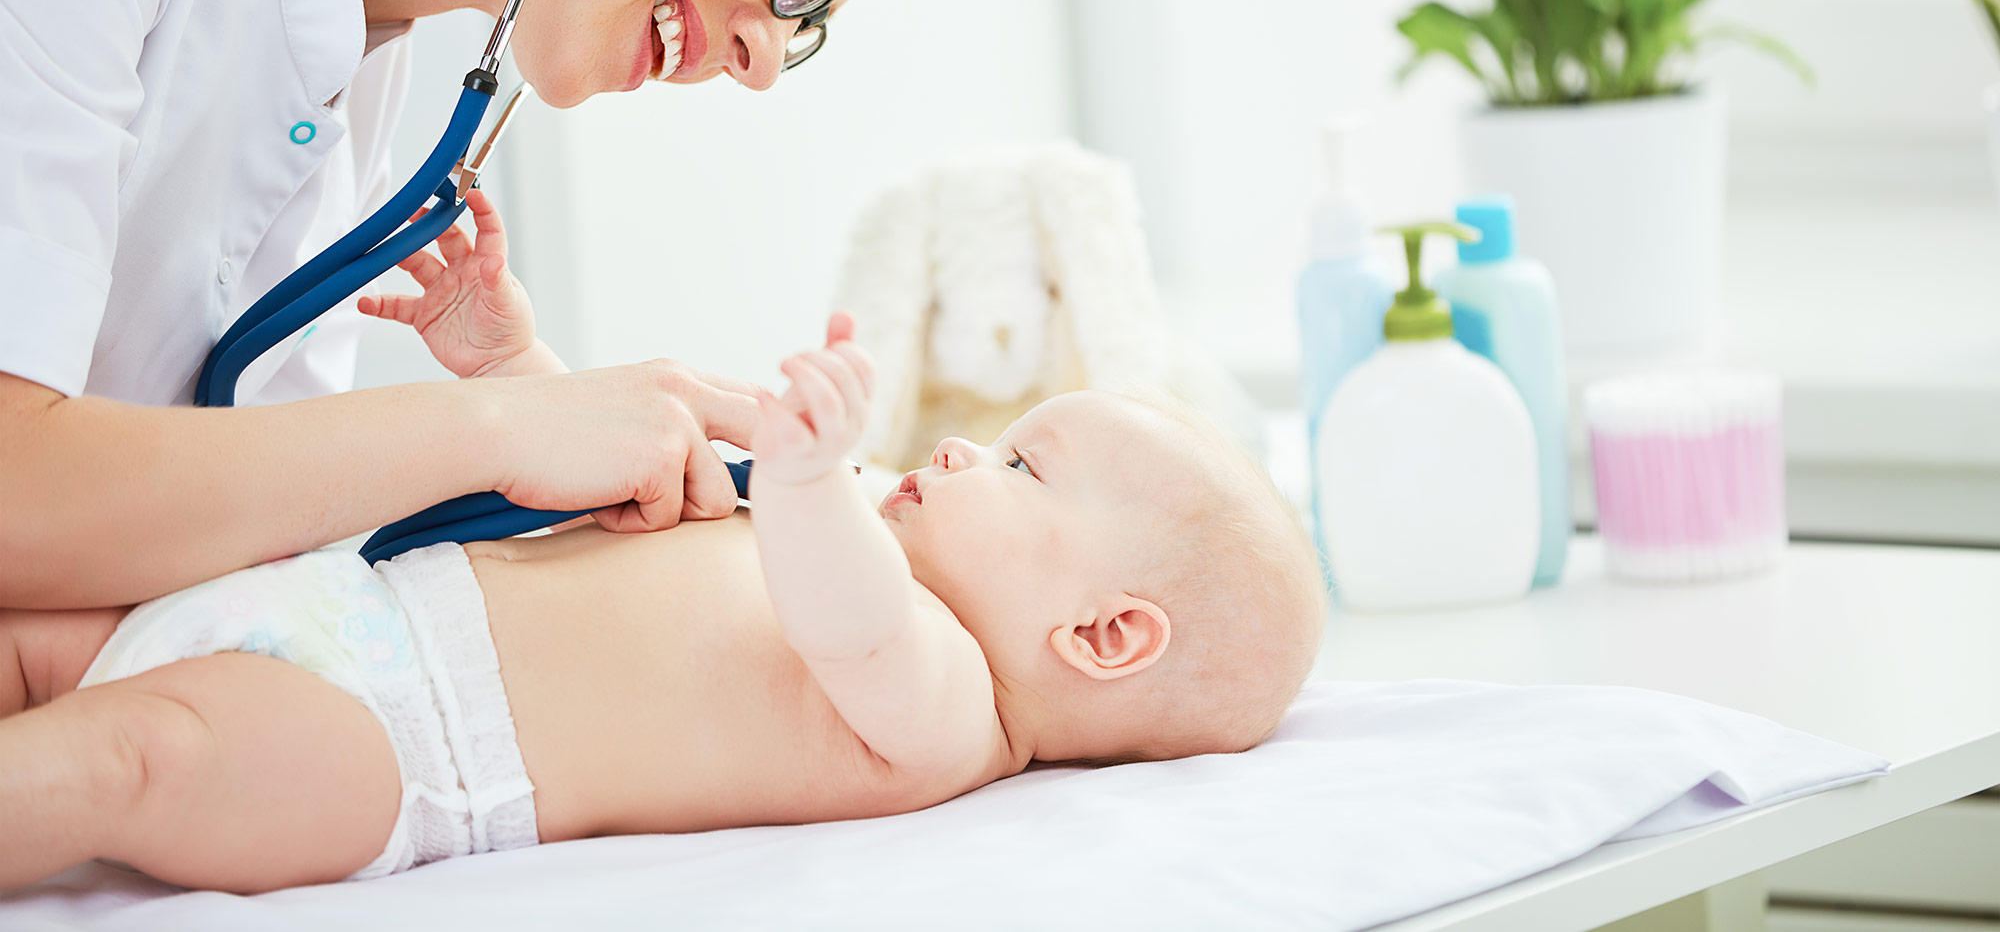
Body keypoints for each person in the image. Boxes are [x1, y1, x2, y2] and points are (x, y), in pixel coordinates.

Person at [0, 0, 958, 611]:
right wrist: (501, 432)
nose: (763, 61)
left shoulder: (356, 55)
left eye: (810, 20)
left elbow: (190, 583)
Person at [0, 300, 1327, 891]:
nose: (967, 447)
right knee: (45, 642)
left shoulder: (952, 710)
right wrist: (512, 357)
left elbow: (846, 623)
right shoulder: (855, 517)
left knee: (133, 758)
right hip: (339, 594)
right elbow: (631, 482)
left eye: (1025, 465)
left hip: (395, 748)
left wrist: (804, 476)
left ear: (1103, 634)